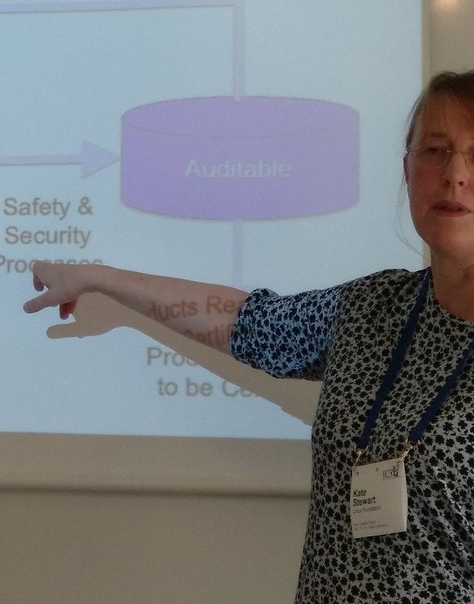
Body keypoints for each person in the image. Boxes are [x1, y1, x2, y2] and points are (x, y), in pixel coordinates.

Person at [24, 70, 474, 604]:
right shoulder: (374, 308)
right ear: (407, 170)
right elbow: (253, 325)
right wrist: (99, 277)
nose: (454, 175)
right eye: (435, 151)